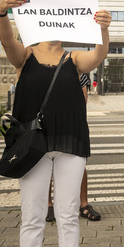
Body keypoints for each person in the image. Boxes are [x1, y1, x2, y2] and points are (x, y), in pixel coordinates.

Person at [0, 0, 111, 247]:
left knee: (69, 215)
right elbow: (8, 41)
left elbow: (98, 55)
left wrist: (103, 30)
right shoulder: (25, 55)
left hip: (70, 144)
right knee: (33, 216)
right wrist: (1, 13)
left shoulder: (74, 58)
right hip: (32, 146)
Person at [46, 73, 101, 223]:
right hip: (49, 121)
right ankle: (49, 204)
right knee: (48, 161)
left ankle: (84, 204)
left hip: (72, 122)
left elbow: (83, 99)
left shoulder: (78, 71)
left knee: (79, 161)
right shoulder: (45, 69)